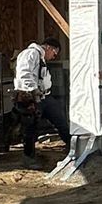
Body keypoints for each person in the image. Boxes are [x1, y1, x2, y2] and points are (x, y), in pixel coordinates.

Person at [12, 36, 70, 167]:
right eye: (54, 53)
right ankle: (29, 158)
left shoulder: (40, 57)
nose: (54, 57)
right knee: (30, 128)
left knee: (60, 119)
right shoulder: (30, 54)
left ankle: (72, 148)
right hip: (31, 97)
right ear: (48, 47)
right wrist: (33, 92)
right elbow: (24, 74)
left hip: (43, 96)